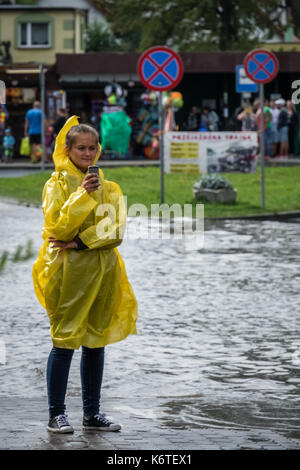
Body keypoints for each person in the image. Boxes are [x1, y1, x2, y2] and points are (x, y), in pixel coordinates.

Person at [32, 116, 138, 433]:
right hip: (66, 273)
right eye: (81, 149)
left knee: (95, 342)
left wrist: (79, 241)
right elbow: (57, 227)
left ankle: (92, 414)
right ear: (68, 150)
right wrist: (81, 196)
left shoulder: (110, 187)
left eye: (92, 148)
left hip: (103, 271)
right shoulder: (56, 185)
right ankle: (56, 414)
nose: (88, 155)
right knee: (64, 341)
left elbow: (115, 231)